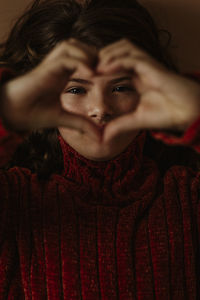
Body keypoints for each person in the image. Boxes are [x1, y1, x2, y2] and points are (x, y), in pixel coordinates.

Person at [0, 0, 200, 298]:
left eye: (120, 87)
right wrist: (7, 109)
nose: (100, 109)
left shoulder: (188, 199)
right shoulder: (14, 202)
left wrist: (195, 111)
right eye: (76, 90)